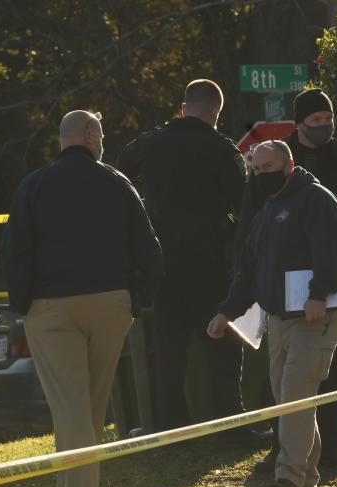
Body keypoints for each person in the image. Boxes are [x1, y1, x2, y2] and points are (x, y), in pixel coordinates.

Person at [1, 110, 163, 487]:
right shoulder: (117, 183)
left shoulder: (35, 185)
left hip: (52, 305)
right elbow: (149, 249)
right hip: (111, 303)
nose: (104, 139)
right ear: (90, 136)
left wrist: (23, 303)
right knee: (91, 402)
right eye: (102, 133)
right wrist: (137, 300)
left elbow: (14, 250)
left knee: (70, 403)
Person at [207, 141, 337, 487]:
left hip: (314, 317)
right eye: (256, 169)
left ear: (288, 165)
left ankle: (285, 481)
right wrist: (226, 312)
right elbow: (248, 271)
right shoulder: (266, 212)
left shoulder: (316, 200)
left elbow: (331, 252)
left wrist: (319, 295)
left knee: (295, 399)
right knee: (289, 400)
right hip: (279, 319)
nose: (261, 175)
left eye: (268, 168)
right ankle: (307, 483)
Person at [254, 87, 337, 474]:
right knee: (281, 371)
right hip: (282, 279)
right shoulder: (275, 161)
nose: (325, 126)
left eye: (329, 120)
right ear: (299, 125)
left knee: (329, 366)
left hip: (334, 273)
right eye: (316, 121)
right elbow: (253, 221)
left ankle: (331, 447)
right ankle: (283, 447)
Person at [118, 79, 248, 437]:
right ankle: (229, 425)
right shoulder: (222, 149)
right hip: (210, 264)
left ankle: (170, 428)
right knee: (222, 347)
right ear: (214, 112)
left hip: (163, 265)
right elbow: (246, 206)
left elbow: (118, 177)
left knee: (169, 351)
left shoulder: (149, 143)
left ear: (183, 106)